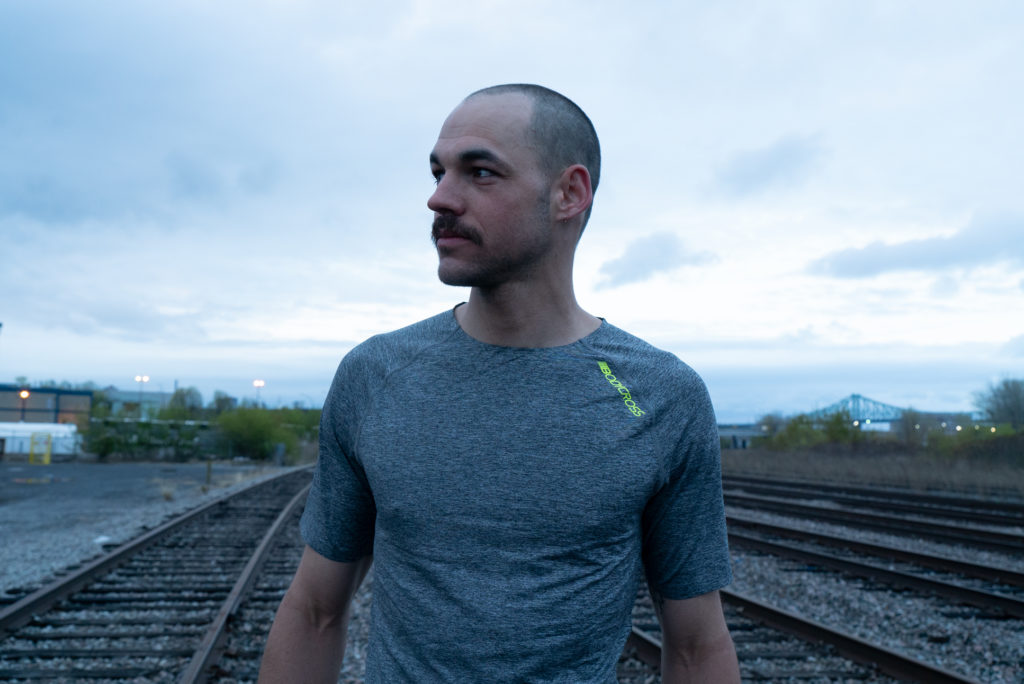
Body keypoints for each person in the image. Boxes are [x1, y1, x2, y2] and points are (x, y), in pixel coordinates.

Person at [258, 84, 739, 683]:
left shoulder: (661, 396)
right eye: (438, 172)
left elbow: (696, 646)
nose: (439, 198)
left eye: (479, 172)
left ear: (569, 193)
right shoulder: (375, 376)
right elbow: (314, 612)